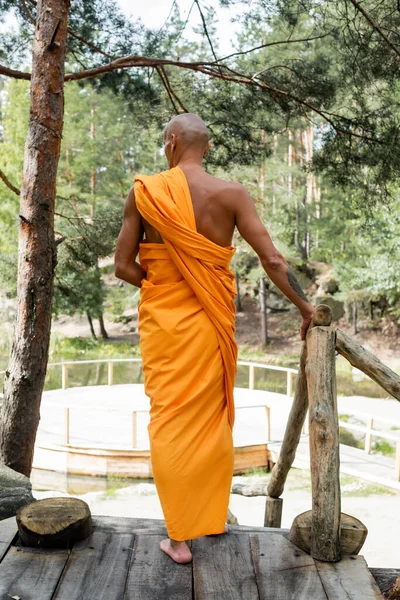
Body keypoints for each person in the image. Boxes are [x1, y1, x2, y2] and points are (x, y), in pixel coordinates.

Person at [114, 113, 315, 564]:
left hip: (165, 323)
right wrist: (305, 309)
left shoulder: (146, 192)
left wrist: (166, 280)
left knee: (168, 420)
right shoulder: (231, 193)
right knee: (211, 418)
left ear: (171, 143)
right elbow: (274, 260)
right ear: (205, 146)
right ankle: (210, 517)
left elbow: (123, 266)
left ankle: (179, 537)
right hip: (211, 322)